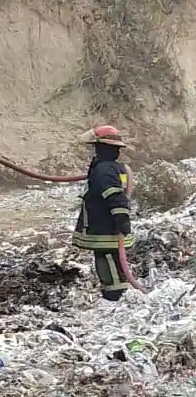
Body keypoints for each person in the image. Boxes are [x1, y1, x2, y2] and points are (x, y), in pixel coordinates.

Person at [72, 125, 133, 301]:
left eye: (95, 147)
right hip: (110, 226)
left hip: (105, 228)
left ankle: (115, 296)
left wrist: (121, 219)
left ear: (100, 147)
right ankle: (118, 293)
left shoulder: (103, 169)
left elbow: (115, 195)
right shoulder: (115, 168)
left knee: (107, 260)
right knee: (113, 260)